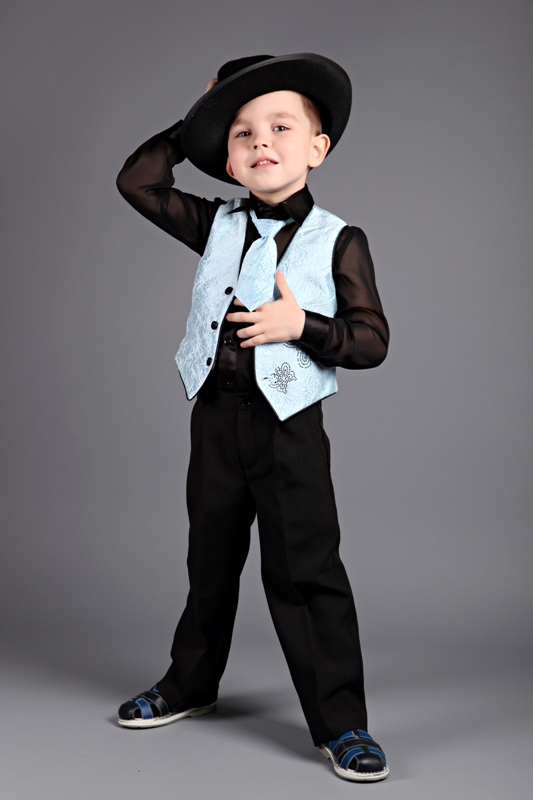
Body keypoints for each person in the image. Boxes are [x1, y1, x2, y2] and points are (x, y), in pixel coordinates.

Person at [115, 53, 390, 783]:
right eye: (241, 133)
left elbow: (372, 341)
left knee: (306, 571)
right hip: (215, 419)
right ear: (229, 160)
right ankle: (189, 684)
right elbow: (137, 182)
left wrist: (303, 326)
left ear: (317, 148)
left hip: (288, 427)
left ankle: (341, 721)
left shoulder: (339, 238)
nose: (260, 140)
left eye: (279, 127)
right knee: (209, 560)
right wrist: (193, 125)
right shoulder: (215, 223)